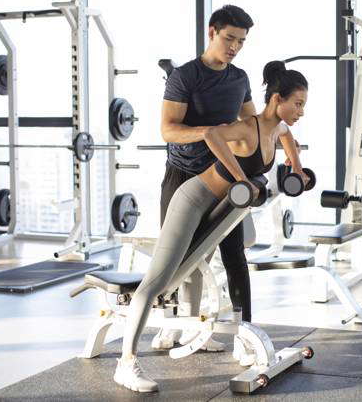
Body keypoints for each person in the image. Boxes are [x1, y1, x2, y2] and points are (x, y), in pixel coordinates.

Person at [114, 61, 309, 392]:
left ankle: (235, 334)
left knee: (207, 262)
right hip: (192, 199)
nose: (301, 111)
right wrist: (241, 177)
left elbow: (290, 140)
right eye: (298, 103)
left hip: (219, 205)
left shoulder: (278, 129)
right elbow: (212, 134)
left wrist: (298, 168)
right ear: (277, 99)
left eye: (304, 105)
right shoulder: (248, 127)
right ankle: (126, 363)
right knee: (161, 278)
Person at [151, 4, 256, 354]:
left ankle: (243, 336)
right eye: (229, 38)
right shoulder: (184, 77)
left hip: (222, 178)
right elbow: (168, 130)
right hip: (182, 175)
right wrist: (210, 132)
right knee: (177, 259)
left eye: (241, 41)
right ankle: (173, 326)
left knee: (233, 256)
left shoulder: (239, 79)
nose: (235, 47)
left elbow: (251, 124)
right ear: (212, 32)